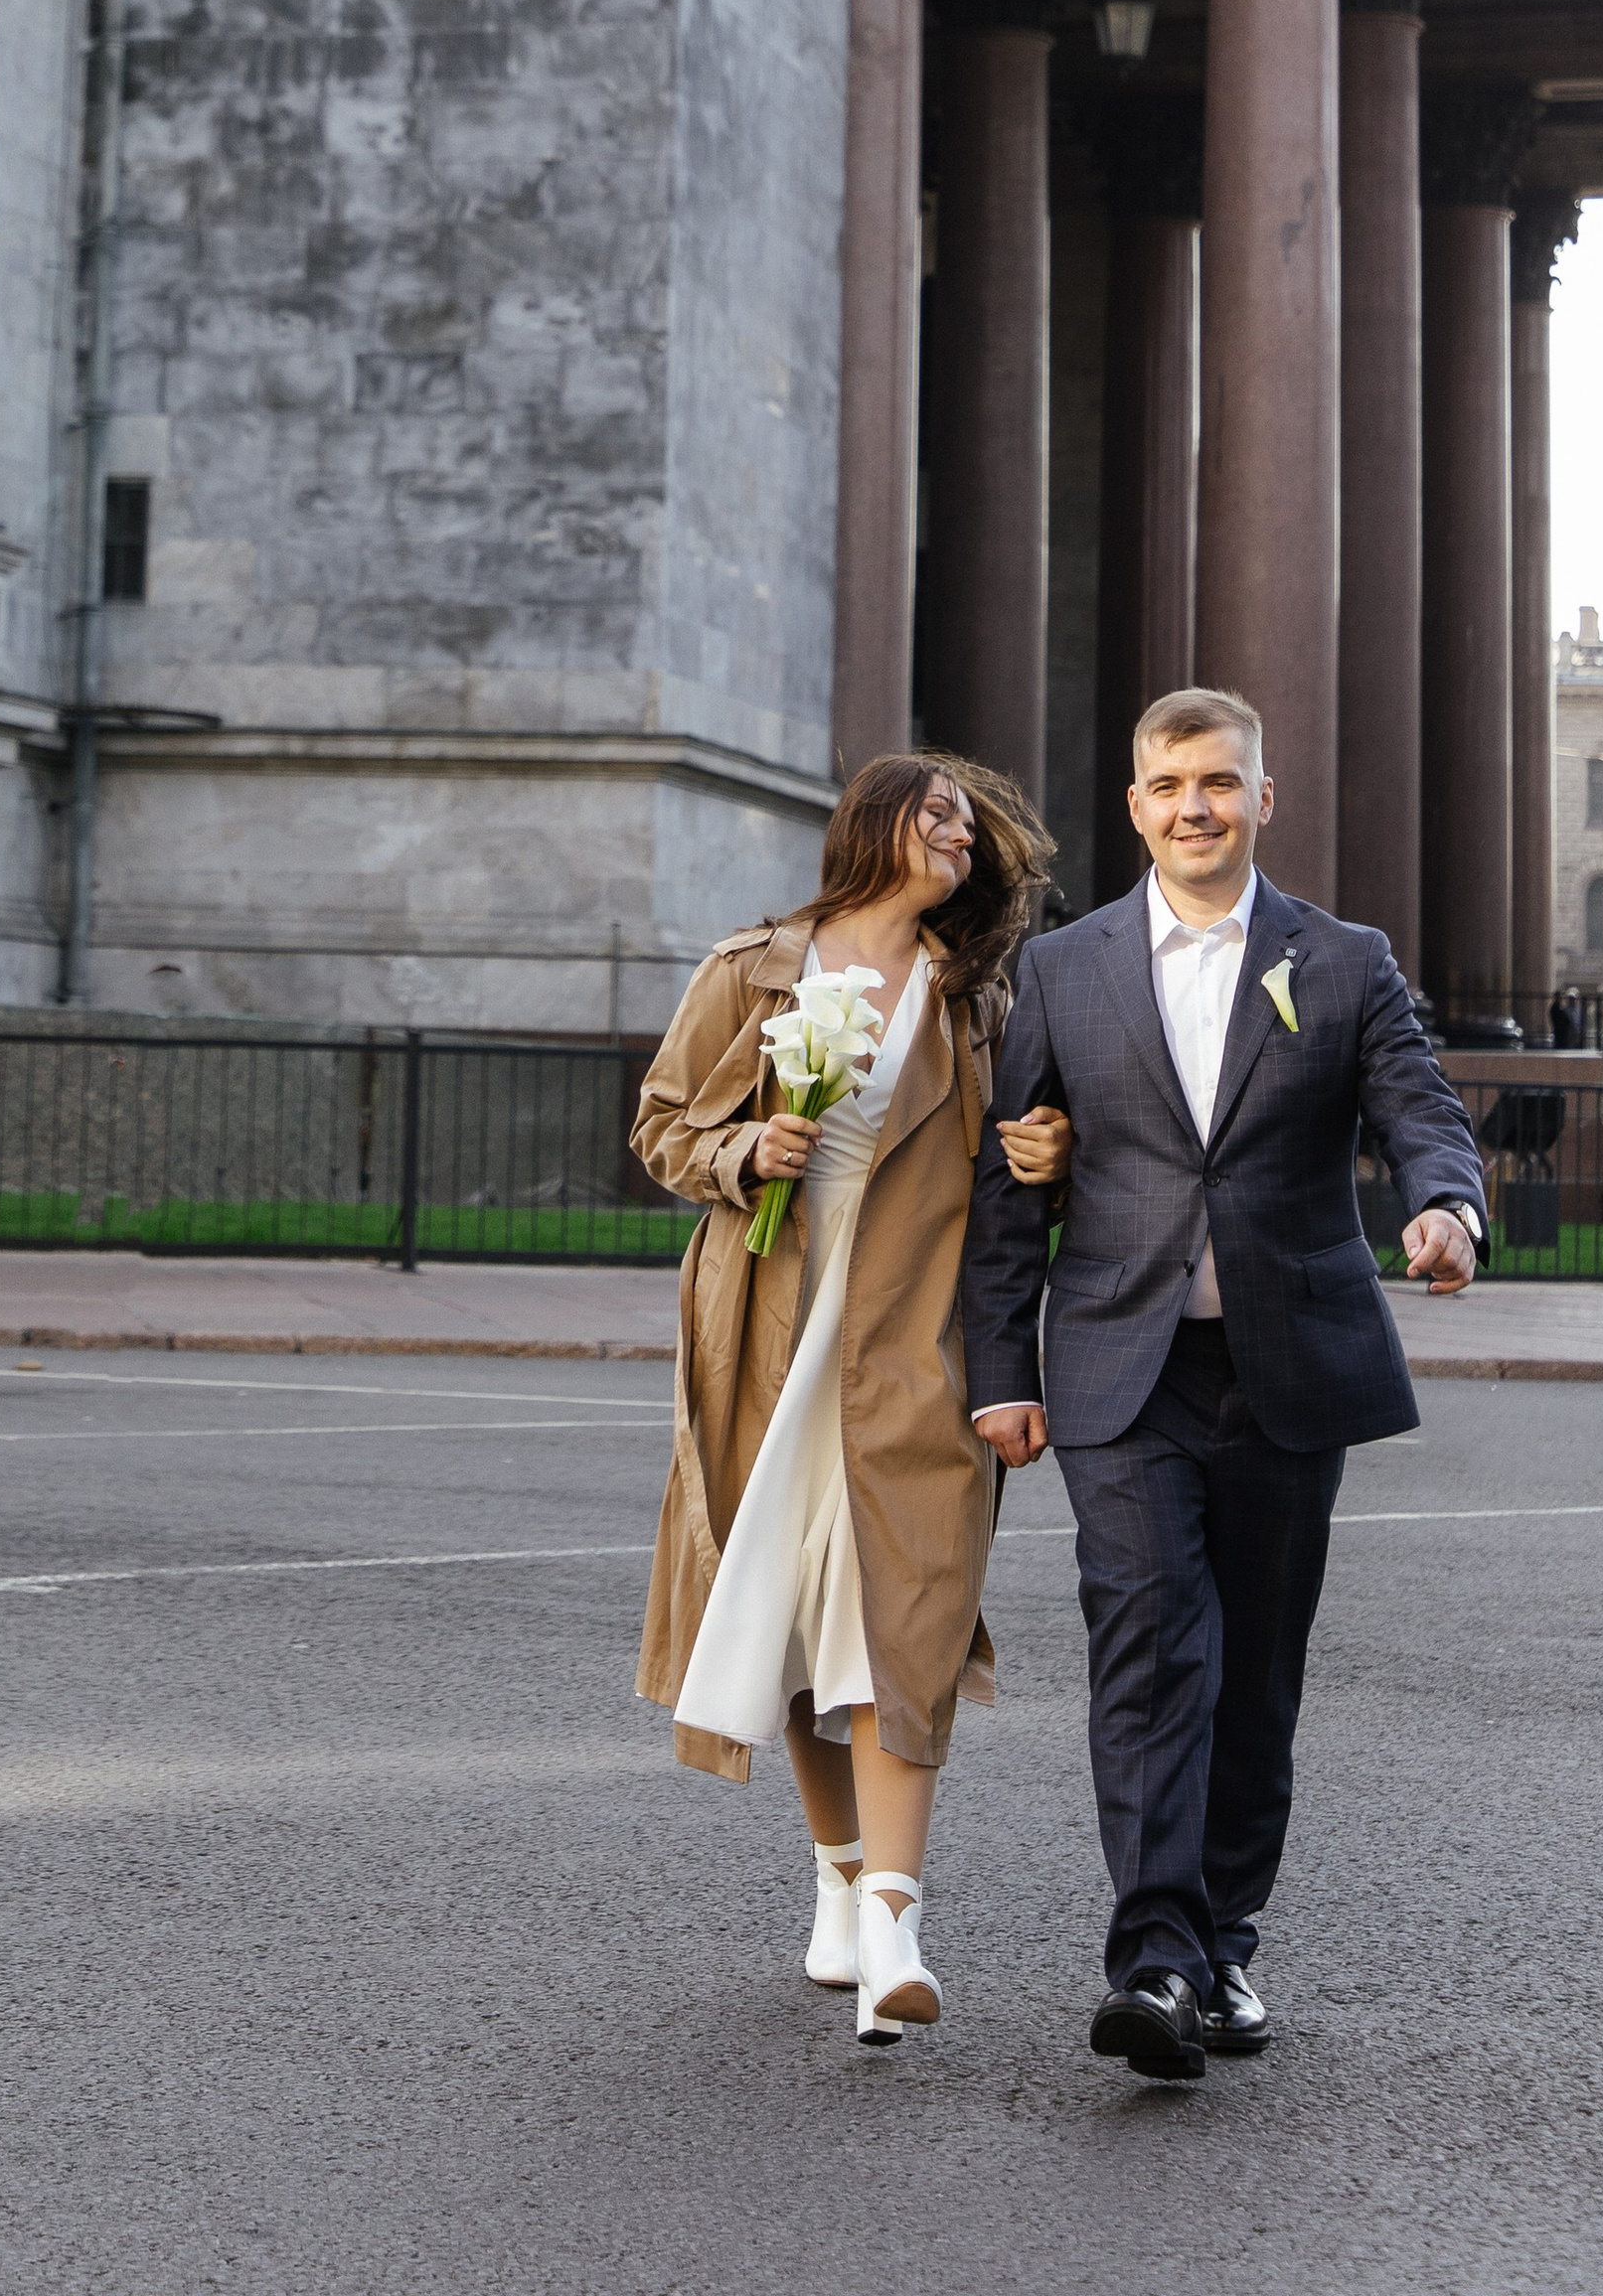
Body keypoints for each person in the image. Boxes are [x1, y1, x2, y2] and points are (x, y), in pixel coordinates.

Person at [962, 686, 1489, 2081]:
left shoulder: (1346, 958)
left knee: (1253, 1670)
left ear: (1265, 798)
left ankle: (1225, 1946)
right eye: (1168, 784)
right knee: (1148, 1651)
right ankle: (1154, 1961)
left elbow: (1420, 1109)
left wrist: (1448, 1210)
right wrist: (999, 1375)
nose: (1194, 805)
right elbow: (1010, 1189)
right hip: (1122, 1370)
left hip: (1285, 1370)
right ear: (1134, 806)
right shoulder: (1066, 970)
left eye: (1220, 782)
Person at [632, 755, 1069, 2045]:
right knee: (788, 1619)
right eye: (936, 812)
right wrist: (738, 1150)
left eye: (970, 825)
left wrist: (1050, 1153)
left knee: (904, 1618)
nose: (959, 834)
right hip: (768, 1341)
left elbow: (1017, 1169)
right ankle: (835, 1874)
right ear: (873, 825)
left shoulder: (979, 998)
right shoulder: (753, 968)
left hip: (915, 1349)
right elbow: (660, 1126)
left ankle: (892, 1915)